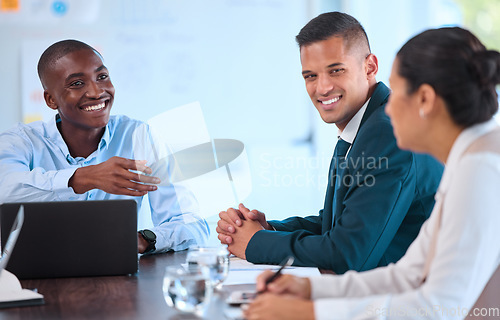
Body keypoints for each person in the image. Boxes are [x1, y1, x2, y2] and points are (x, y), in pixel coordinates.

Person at [244, 26, 500, 320]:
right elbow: (406, 275)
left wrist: (313, 312)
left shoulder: (481, 169)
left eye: (397, 94)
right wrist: (311, 290)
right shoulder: (470, 157)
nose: (388, 110)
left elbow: (439, 307)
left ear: (425, 100)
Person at [216, 12, 443, 273]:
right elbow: (338, 223)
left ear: (370, 67)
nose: (322, 88)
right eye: (310, 76)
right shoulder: (367, 123)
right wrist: (268, 230)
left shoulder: (386, 133)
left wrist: (256, 243)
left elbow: (347, 255)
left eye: (336, 70)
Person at [0, 39, 209, 254]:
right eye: (77, 83)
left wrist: (144, 239)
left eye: (102, 77)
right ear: (51, 99)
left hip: (118, 279)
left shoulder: (139, 136)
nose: (96, 91)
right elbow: (5, 191)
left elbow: (193, 224)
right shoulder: (20, 140)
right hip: (35, 279)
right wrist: (83, 178)